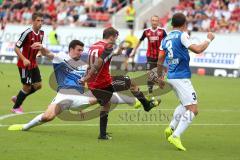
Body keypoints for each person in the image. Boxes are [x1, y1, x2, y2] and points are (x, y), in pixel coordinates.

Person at [8, 40, 156, 135]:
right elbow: (48, 54)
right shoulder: (62, 58)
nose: (81, 52)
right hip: (64, 96)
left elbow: (99, 66)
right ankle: (24, 127)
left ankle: (135, 102)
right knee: (48, 117)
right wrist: (42, 48)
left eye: (82, 50)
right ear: (71, 49)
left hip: (81, 96)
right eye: (79, 50)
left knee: (103, 94)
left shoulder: (85, 64)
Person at [81, 27, 157, 140]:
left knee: (106, 105)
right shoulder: (108, 47)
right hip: (104, 83)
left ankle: (102, 134)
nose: (116, 40)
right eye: (116, 38)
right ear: (111, 37)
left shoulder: (95, 46)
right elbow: (99, 62)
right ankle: (146, 105)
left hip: (94, 85)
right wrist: (87, 76)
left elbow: (102, 58)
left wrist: (87, 77)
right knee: (132, 83)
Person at [158, 13, 215, 151]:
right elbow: (198, 49)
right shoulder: (182, 35)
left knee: (184, 104)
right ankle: (176, 136)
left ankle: (171, 127)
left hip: (171, 76)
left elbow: (160, 59)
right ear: (184, 25)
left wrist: (159, 77)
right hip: (181, 77)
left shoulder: (165, 39)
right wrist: (208, 39)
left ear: (172, 24)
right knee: (194, 109)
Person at [11, 12, 44, 114]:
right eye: (38, 20)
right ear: (33, 21)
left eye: (42, 21)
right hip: (24, 64)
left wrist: (39, 53)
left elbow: (38, 47)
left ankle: (18, 97)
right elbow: (16, 48)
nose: (40, 23)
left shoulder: (42, 33)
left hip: (33, 64)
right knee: (27, 86)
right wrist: (24, 59)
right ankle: (16, 107)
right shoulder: (27, 33)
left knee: (38, 85)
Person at [130, 15, 167, 98]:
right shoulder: (146, 31)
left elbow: (167, 42)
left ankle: (159, 83)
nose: (154, 22)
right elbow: (140, 40)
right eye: (153, 20)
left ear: (158, 22)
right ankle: (151, 92)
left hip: (160, 57)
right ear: (151, 21)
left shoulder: (162, 31)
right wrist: (134, 50)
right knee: (149, 75)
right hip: (150, 56)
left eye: (156, 20)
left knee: (158, 75)